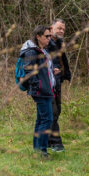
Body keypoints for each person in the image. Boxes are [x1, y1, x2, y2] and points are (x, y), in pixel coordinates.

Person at [19, 25, 61, 158]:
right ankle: (42, 150)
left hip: (46, 89)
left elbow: (54, 46)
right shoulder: (31, 51)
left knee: (40, 119)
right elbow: (29, 71)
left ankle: (37, 149)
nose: (49, 38)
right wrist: (38, 86)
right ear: (38, 36)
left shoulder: (42, 49)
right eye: (46, 36)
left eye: (50, 36)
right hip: (41, 91)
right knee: (47, 119)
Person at [46, 19, 71, 152]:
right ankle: (56, 143)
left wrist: (66, 74)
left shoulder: (59, 43)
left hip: (58, 81)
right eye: (59, 28)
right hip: (48, 81)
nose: (61, 31)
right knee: (52, 111)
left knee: (57, 111)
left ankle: (48, 141)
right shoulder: (46, 43)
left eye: (63, 29)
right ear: (51, 28)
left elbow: (62, 60)